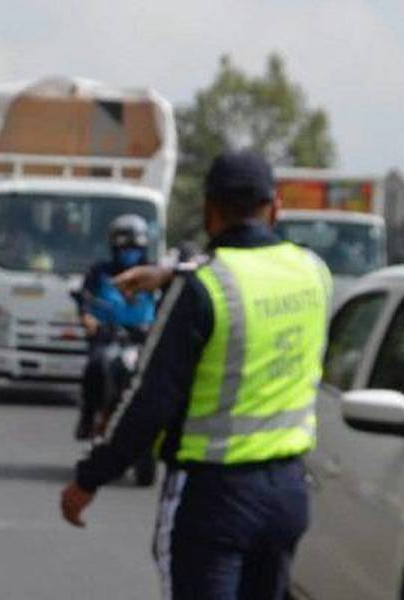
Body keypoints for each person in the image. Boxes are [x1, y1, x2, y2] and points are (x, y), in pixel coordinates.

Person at [59, 151, 332, 599]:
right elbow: (251, 276)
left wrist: (90, 477)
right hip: (286, 494)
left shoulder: (203, 288)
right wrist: (169, 274)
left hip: (214, 497)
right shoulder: (313, 273)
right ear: (275, 207)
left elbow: (149, 400)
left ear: (209, 211)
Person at [75, 214, 156, 440]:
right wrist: (88, 319)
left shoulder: (153, 274)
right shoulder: (99, 272)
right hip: (108, 338)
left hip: (143, 342)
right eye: (124, 247)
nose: (129, 253)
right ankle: (88, 417)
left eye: (134, 247)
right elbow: (85, 299)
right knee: (95, 366)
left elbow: (167, 303)